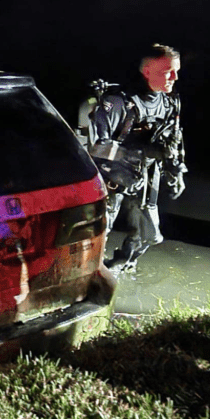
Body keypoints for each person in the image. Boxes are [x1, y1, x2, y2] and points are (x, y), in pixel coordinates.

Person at [87, 44, 186, 275]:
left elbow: (174, 140)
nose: (175, 77)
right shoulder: (118, 102)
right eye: (168, 71)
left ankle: (121, 265)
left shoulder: (169, 102)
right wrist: (140, 152)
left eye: (177, 71)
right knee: (96, 234)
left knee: (150, 234)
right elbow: (96, 147)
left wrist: (177, 171)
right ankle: (89, 275)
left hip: (146, 176)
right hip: (112, 177)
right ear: (147, 71)